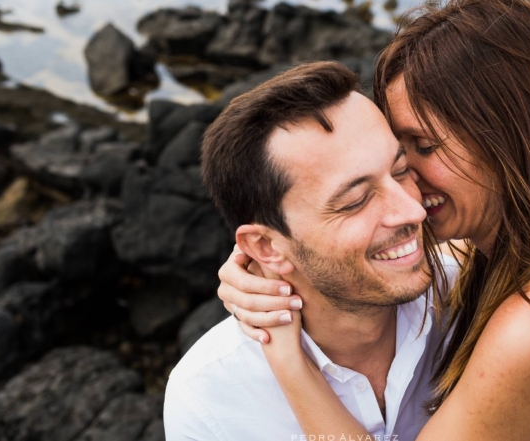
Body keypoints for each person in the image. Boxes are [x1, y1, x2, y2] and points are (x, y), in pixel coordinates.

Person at [216, 0, 530, 439]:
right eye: (398, 151)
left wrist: (291, 363)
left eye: (424, 147)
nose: (408, 186)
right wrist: (266, 260)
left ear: (512, 141)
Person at [164, 61, 460, 441]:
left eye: (401, 171)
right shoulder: (210, 402)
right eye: (355, 201)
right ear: (267, 247)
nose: (413, 210)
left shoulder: (473, 302)